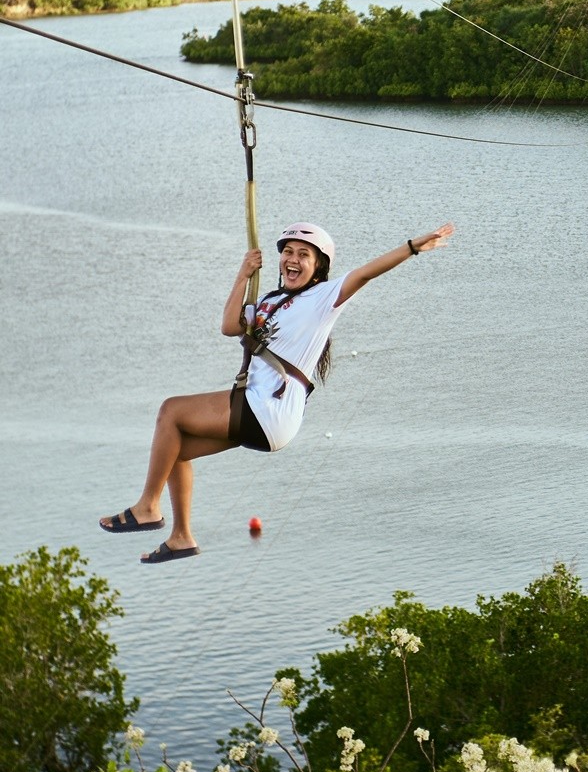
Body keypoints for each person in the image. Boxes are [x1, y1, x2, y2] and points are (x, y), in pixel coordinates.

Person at [100, 220, 454, 563]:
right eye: (288, 251)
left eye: (304, 254)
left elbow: (366, 272)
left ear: (318, 268)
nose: (293, 259)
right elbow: (228, 326)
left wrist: (412, 248)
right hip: (261, 410)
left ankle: (148, 507)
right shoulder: (268, 301)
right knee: (173, 449)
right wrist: (243, 274)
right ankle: (182, 537)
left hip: (268, 408)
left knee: (171, 410)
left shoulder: (323, 298)